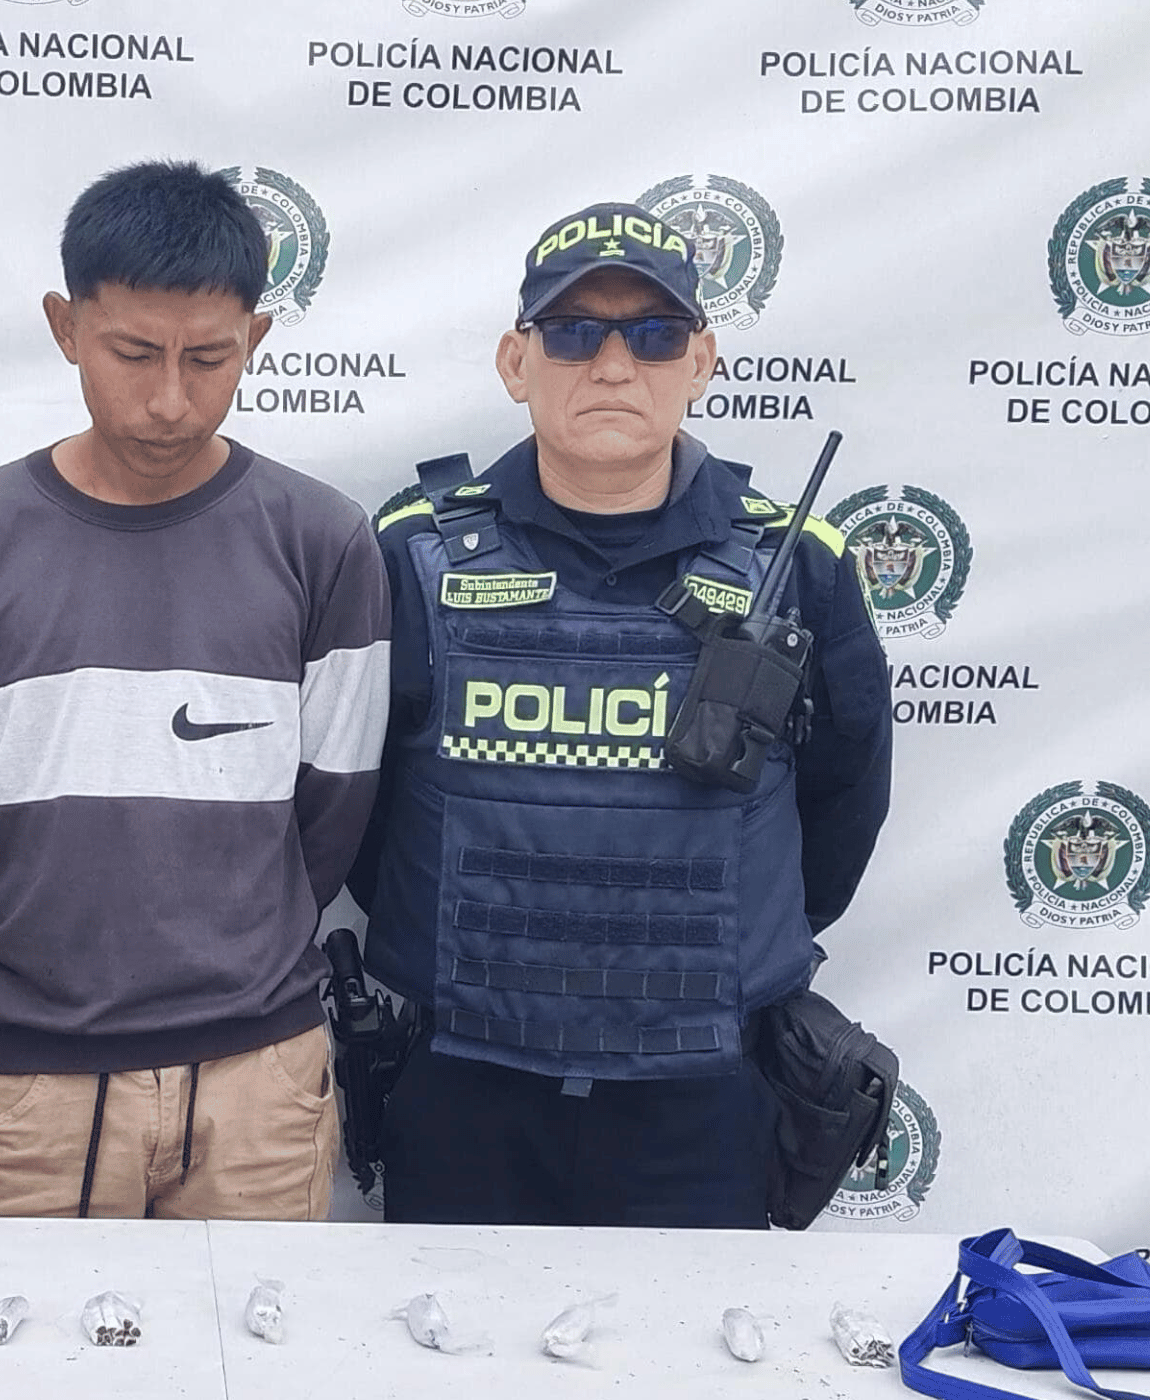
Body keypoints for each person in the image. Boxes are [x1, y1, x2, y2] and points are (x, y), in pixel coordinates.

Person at [349, 201, 893, 1227]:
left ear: (702, 361)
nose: (611, 366)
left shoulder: (799, 566)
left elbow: (843, 804)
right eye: (572, 334)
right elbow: (353, 807)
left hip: (702, 1092)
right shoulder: (411, 554)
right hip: (466, 1082)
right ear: (516, 362)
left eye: (652, 335)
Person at [0, 161, 389, 1221]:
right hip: (30, 1078)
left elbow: (332, 816)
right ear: (65, 326)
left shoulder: (325, 541)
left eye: (208, 358)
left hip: (261, 1080)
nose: (170, 398)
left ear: (256, 339)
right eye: (133, 353)